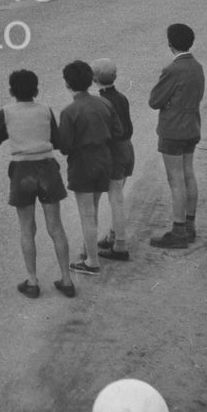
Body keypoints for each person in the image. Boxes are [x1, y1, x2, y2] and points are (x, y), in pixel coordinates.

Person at [0, 69, 76, 299]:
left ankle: (32, 281)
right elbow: (57, 142)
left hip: (22, 171)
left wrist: (14, 132)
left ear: (11, 91)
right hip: (47, 169)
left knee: (27, 227)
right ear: (37, 90)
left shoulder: (7, 112)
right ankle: (66, 279)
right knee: (55, 226)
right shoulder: (45, 110)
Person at [56, 59, 123, 277]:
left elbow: (64, 146)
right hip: (104, 159)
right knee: (93, 207)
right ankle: (89, 250)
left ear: (68, 84)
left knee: (86, 213)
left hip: (83, 162)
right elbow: (118, 131)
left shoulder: (69, 111)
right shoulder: (104, 103)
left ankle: (92, 260)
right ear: (89, 81)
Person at [148, 23, 205, 248]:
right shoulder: (197, 66)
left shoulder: (172, 69)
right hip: (192, 126)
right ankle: (189, 225)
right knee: (188, 174)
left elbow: (154, 101)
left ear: (170, 44)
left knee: (175, 180)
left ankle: (178, 229)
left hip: (173, 129)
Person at [91, 58, 135, 261]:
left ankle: (120, 245)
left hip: (114, 153)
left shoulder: (102, 102)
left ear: (94, 79)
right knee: (117, 195)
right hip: (127, 148)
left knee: (115, 198)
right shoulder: (122, 98)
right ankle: (114, 235)